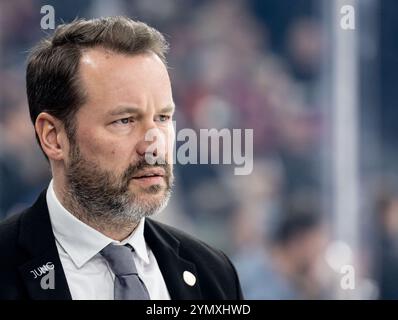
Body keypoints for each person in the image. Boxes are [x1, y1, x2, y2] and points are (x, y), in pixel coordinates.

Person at [0, 16, 243, 300]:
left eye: (163, 117)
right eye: (125, 121)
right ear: (53, 137)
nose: (154, 146)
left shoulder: (212, 272)